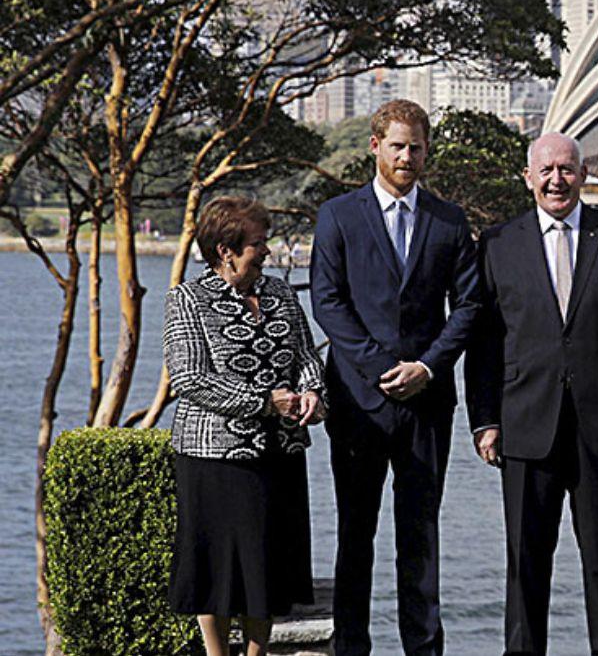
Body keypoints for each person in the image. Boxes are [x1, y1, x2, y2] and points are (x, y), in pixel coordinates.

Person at [465, 132, 598, 656]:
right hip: (524, 426)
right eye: (547, 170)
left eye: (567, 169)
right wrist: (484, 420)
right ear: (528, 178)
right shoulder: (498, 243)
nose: (557, 180)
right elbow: (483, 341)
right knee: (525, 561)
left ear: (583, 175)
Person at [310, 99, 480, 656]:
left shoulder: (449, 221)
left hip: (427, 405)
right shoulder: (338, 215)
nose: (407, 157)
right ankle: (350, 648)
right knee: (355, 536)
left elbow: (469, 306)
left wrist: (427, 366)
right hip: (358, 403)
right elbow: (328, 303)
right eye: (398, 146)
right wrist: (383, 368)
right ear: (375, 146)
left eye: (417, 148)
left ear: (427, 152)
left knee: (420, 539)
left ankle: (424, 650)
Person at [164, 196, 326, 656]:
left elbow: (306, 356)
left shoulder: (281, 294)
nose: (267, 250)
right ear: (226, 250)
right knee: (214, 570)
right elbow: (189, 379)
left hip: (281, 454)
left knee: (267, 568)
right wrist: (264, 402)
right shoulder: (187, 300)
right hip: (214, 458)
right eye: (258, 242)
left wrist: (313, 392)